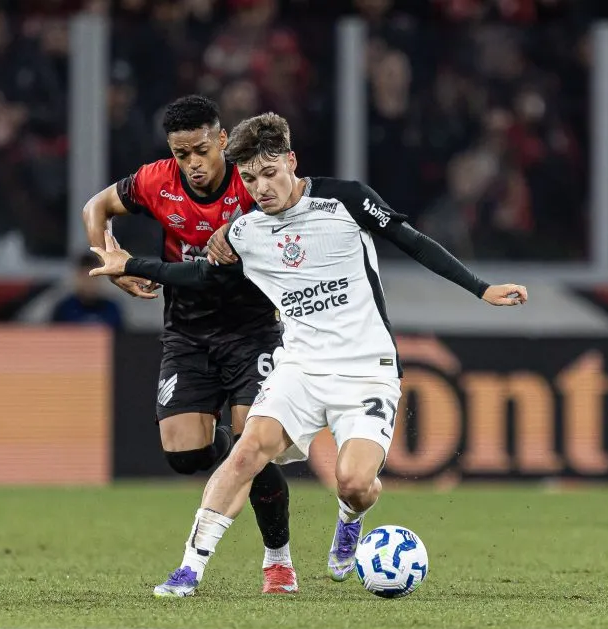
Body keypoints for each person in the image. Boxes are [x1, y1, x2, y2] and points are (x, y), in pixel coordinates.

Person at [89, 112, 528, 597]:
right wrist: (130, 263)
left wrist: (481, 288)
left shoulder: (346, 200)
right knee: (245, 452)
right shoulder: (243, 233)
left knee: (354, 483)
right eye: (251, 179)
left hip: (366, 372)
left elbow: (415, 243)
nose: (262, 188)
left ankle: (349, 517)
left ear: (291, 161)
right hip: (298, 367)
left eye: (270, 173)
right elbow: (202, 279)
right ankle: (189, 569)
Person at [82, 96, 298, 594]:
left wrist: (243, 228)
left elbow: (290, 215)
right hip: (188, 333)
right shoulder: (157, 181)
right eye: (181, 154)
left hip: (252, 331)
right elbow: (96, 207)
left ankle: (278, 559)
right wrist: (109, 256)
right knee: (183, 453)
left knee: (254, 447)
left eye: (201, 150)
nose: (192, 164)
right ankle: (230, 451)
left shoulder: (252, 183)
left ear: (222, 140)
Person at [51, 252, 125, 329]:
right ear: (77, 278)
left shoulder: (111, 309)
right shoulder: (64, 309)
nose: (89, 283)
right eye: (85, 278)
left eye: (93, 278)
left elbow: (122, 338)